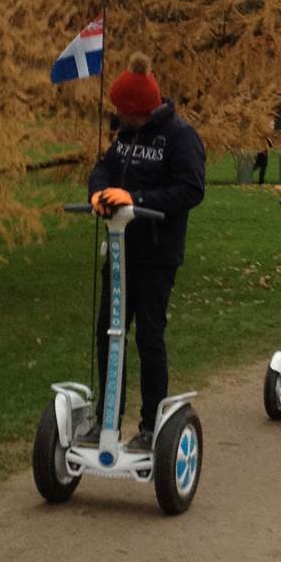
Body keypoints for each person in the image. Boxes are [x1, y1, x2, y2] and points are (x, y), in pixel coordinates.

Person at [87, 52, 207, 448]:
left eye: (124, 112)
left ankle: (151, 426)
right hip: (121, 250)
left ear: (143, 109)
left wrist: (134, 198)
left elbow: (191, 189)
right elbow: (103, 168)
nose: (119, 119)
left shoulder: (180, 136)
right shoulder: (127, 134)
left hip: (157, 255)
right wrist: (99, 193)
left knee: (148, 337)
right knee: (110, 333)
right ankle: (107, 421)